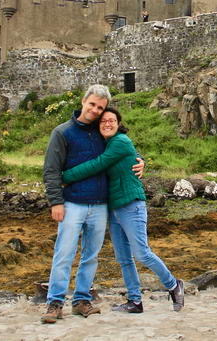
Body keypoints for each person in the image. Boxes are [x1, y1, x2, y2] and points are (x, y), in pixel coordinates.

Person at [62, 107, 185, 313]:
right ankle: (135, 301)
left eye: (112, 121)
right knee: (123, 258)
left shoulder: (120, 141)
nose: (107, 124)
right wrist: (140, 157)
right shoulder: (106, 143)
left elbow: (98, 164)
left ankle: (173, 285)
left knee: (142, 253)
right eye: (103, 121)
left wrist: (64, 177)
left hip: (131, 205)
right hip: (114, 208)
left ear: (119, 124)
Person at [41, 85, 145, 324]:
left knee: (91, 256)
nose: (95, 110)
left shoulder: (102, 131)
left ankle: (81, 300)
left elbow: (127, 148)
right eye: (92, 105)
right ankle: (55, 302)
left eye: (100, 107)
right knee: (64, 254)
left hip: (100, 205)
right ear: (83, 101)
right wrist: (55, 201)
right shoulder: (62, 132)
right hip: (72, 203)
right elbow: (51, 170)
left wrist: (141, 161)